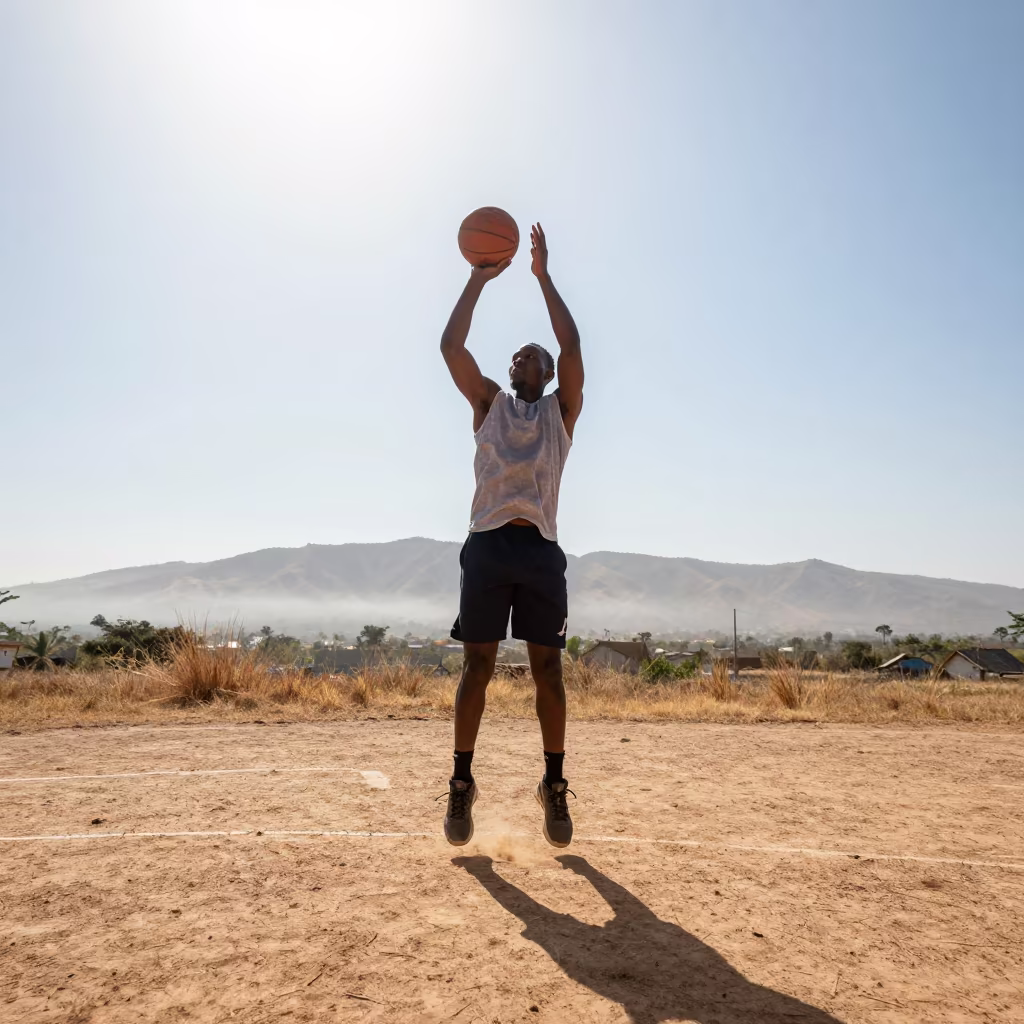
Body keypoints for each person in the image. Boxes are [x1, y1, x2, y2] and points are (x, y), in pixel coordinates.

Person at [439, 223, 584, 849]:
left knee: (548, 672)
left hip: (541, 550)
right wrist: (477, 277)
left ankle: (552, 783)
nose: (515, 360)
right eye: (514, 357)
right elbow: (450, 346)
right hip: (490, 544)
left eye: (528, 355)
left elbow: (574, 344)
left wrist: (542, 277)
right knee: (478, 666)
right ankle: (461, 781)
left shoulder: (561, 412)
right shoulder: (490, 405)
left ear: (547, 372)